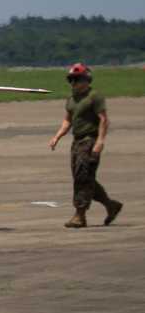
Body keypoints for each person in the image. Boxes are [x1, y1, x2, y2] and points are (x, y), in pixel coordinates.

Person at [48, 62, 122, 228]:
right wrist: (57, 136)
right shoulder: (72, 99)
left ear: (87, 80)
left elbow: (103, 120)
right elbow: (68, 120)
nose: (74, 84)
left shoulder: (94, 97)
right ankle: (111, 205)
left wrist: (100, 142)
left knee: (82, 177)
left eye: (77, 80)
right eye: (71, 80)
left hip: (90, 140)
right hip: (77, 141)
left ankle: (79, 215)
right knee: (83, 178)